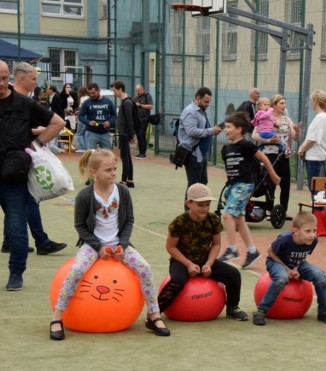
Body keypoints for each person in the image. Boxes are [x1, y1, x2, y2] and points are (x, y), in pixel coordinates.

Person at [48, 149, 170, 340]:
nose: (113, 173)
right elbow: (80, 226)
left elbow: (129, 220)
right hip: (93, 245)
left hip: (119, 244)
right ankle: (57, 317)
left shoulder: (122, 191)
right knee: (77, 270)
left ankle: (153, 315)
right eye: (108, 170)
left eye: (114, 169)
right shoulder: (85, 196)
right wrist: (98, 247)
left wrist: (122, 245)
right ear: (94, 172)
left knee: (145, 268)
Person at [0, 60, 65, 291]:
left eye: (4, 78)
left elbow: (57, 123)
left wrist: (37, 143)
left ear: (10, 78)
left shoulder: (24, 104)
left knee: (17, 228)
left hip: (14, 177)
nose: (1, 83)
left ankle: (16, 273)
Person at [158, 183, 248, 321]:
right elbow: (171, 248)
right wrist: (188, 264)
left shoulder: (213, 220)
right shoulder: (179, 222)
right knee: (177, 281)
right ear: (189, 203)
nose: (205, 208)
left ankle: (232, 307)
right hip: (181, 261)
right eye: (200, 205)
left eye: (207, 204)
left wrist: (209, 264)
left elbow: (216, 244)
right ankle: (156, 311)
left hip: (205, 260)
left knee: (234, 275)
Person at [217, 112, 280, 269]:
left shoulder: (247, 145)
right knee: (239, 219)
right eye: (225, 127)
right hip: (232, 186)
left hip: (244, 185)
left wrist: (272, 175)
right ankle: (252, 251)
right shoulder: (226, 149)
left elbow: (263, 158)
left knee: (227, 215)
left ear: (238, 129)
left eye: (229, 127)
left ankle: (232, 248)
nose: (225, 130)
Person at [252, 211, 326, 326]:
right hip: (276, 261)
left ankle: (324, 312)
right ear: (296, 231)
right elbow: (270, 252)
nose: (312, 235)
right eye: (307, 231)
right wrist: (287, 269)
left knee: (320, 275)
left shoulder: (313, 241)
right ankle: (261, 311)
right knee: (282, 278)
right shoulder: (285, 239)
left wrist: (296, 268)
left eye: (314, 230)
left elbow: (302, 256)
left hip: (297, 264)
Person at [252, 94, 300, 217]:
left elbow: (295, 137)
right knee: (270, 182)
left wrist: (297, 130)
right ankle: (269, 210)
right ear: (274, 105)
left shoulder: (287, 119)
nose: (284, 106)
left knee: (285, 183)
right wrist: (269, 141)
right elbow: (254, 135)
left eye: (285, 103)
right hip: (270, 153)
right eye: (281, 103)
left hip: (283, 154)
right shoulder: (265, 116)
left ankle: (283, 211)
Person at [177, 87, 222, 200]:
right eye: (206, 101)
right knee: (194, 185)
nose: (207, 104)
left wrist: (212, 130)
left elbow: (202, 129)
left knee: (202, 182)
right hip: (193, 154)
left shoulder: (201, 111)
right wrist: (211, 131)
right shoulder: (190, 112)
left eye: (209, 102)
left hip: (201, 153)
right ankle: (189, 213)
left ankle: (198, 209)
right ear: (198, 98)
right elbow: (191, 131)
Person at [298, 90, 326, 193]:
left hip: (315, 158)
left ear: (315, 101)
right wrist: (302, 148)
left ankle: (319, 209)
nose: (311, 103)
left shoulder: (321, 117)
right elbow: (311, 137)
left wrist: (302, 149)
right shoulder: (322, 117)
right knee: (315, 189)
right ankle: (318, 209)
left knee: (316, 189)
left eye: (312, 100)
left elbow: (313, 139)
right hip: (315, 157)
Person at [110, 80, 136, 188]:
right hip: (124, 132)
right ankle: (129, 179)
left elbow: (130, 120)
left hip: (124, 133)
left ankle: (125, 179)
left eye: (115, 90)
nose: (114, 93)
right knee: (126, 156)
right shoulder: (125, 102)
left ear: (120, 89)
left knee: (125, 156)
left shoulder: (127, 103)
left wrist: (131, 135)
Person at [78, 83, 117, 150]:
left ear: (98, 90)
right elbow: (80, 116)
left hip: (105, 133)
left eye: (93, 93)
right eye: (90, 93)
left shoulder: (108, 101)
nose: (92, 95)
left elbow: (114, 115)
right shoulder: (87, 102)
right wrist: (89, 122)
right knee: (91, 154)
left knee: (107, 154)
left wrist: (109, 122)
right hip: (91, 133)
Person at [133, 84, 153, 159]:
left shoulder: (147, 96)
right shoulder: (136, 98)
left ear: (142, 89)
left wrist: (140, 105)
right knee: (138, 135)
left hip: (145, 119)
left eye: (138, 91)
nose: (137, 92)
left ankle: (143, 153)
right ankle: (140, 152)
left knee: (142, 134)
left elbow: (151, 106)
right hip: (137, 119)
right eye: (136, 91)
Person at [75, 86, 89, 153]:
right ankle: (86, 147)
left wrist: (78, 112)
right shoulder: (89, 98)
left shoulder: (83, 98)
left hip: (83, 117)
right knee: (84, 133)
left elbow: (83, 108)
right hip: (87, 118)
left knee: (79, 133)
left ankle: (83, 147)